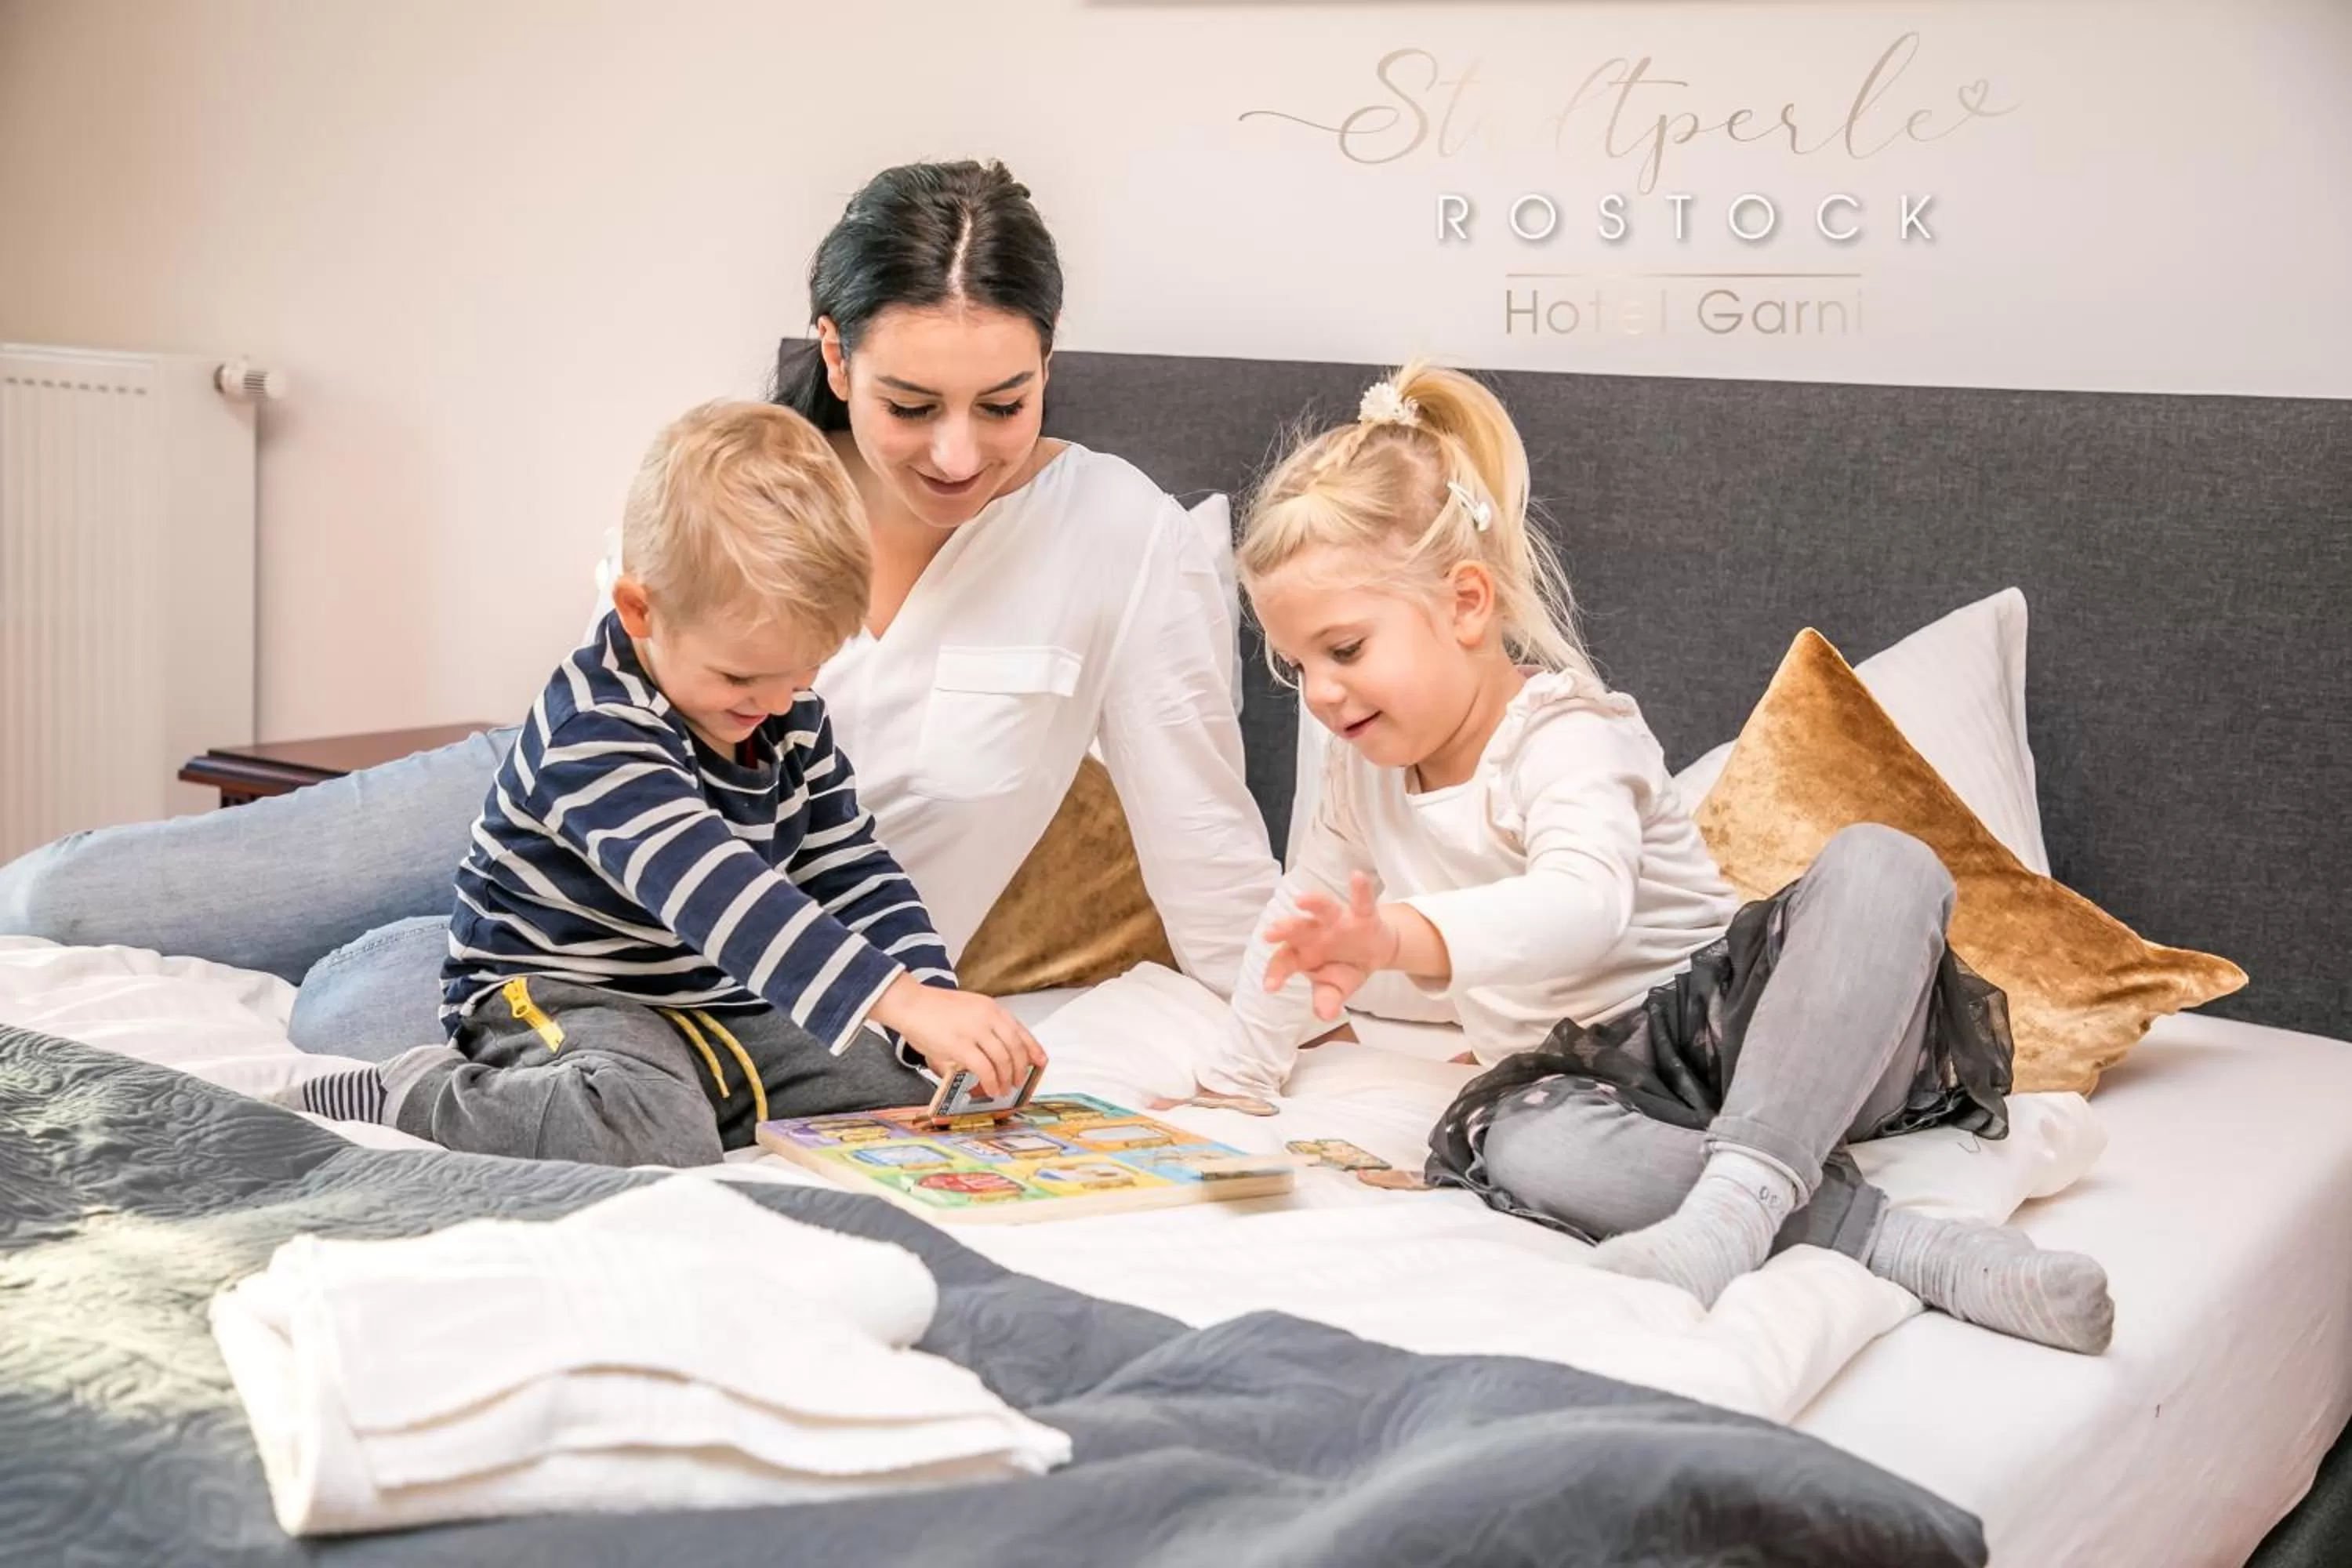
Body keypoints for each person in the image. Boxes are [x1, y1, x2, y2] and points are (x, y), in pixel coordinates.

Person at [0, 161, 1276, 1058]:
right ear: (835, 357)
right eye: (909, 406)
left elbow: (1210, 866)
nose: (957, 455)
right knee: (68, 905)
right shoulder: (727, 485)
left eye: (1004, 404)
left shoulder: (1126, 542)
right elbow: (621, 756)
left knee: (367, 1008)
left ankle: (396, 955)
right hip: (575, 804)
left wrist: (1333, 1007)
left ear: (1048, 363)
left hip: (740, 970)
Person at [1201, 360, 2114, 1355]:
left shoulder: (1564, 737)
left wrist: (1399, 938)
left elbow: (1581, 904)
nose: (1322, 693)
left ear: (1466, 603)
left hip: (1745, 1029)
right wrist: (1234, 1079)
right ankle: (1896, 1241)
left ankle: (1742, 1196)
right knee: (1520, 1139)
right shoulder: (1357, 773)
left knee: (1887, 863)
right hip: (1597, 1084)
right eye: (1296, 666)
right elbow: (1299, 915)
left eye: (1345, 649)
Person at [285, 400, 1045, 1167]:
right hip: (563, 989)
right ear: (640, 610)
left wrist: (931, 1001)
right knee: (654, 1131)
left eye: (803, 672)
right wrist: (900, 1000)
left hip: (708, 1000)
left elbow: (851, 869)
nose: (775, 703)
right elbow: (713, 887)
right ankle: (414, 1094)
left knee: (891, 1091)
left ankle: (665, 1092)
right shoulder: (595, 726)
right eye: (742, 675)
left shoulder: (784, 716)